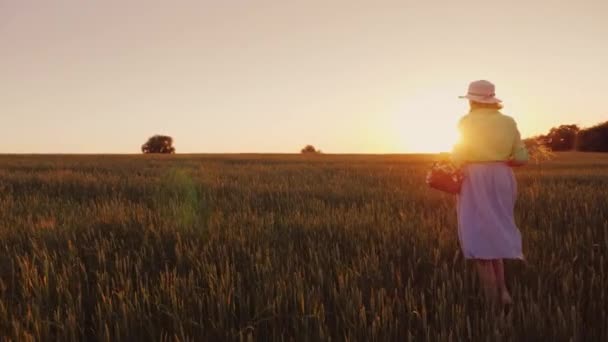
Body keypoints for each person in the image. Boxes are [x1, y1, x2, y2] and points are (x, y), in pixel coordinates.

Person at [451, 80, 529, 306]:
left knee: (478, 239)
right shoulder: (508, 121)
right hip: (503, 178)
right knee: (495, 231)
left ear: (473, 100)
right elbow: (522, 158)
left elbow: (458, 155)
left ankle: (491, 305)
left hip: (474, 179)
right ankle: (503, 292)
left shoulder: (466, 122)